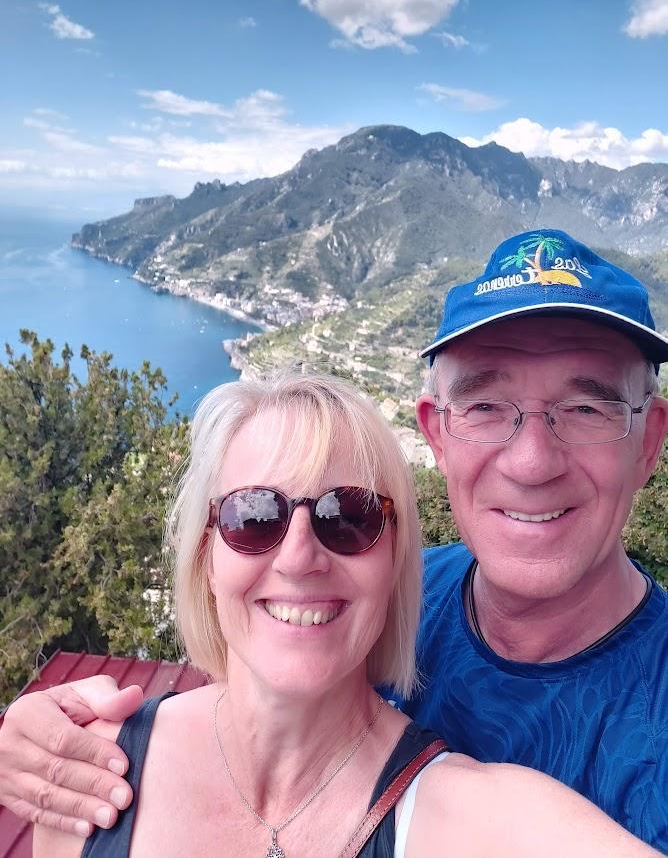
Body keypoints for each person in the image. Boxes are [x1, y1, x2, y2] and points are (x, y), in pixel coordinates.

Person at [2, 229, 667, 847]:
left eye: (588, 408)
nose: (531, 462)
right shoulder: (380, 591)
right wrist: (45, 734)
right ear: (436, 433)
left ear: (650, 441)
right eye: (486, 406)